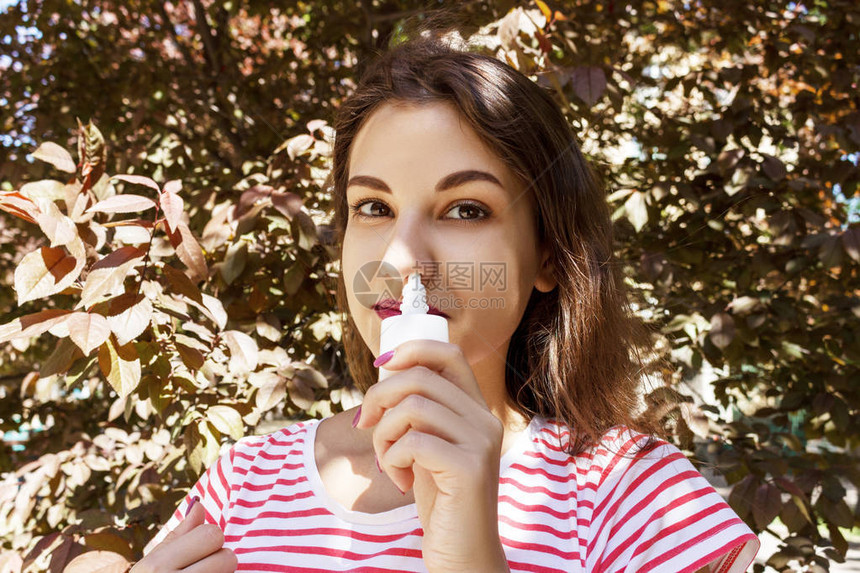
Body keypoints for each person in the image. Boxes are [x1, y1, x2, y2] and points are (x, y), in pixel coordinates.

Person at [134, 30, 759, 573]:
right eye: (373, 208)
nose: (402, 260)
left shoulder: (637, 497)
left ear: (547, 255)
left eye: (466, 210)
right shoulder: (244, 480)